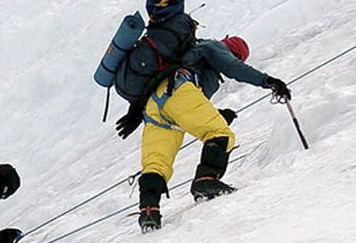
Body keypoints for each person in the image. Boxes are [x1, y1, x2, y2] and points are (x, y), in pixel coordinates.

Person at [118, 35, 289, 231]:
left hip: (153, 108)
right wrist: (268, 81)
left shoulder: (194, 57)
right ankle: (206, 181)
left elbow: (189, 110)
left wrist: (216, 114)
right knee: (221, 134)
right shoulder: (214, 47)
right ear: (235, 53)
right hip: (176, 91)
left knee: (156, 163)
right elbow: (234, 69)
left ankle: (149, 211)